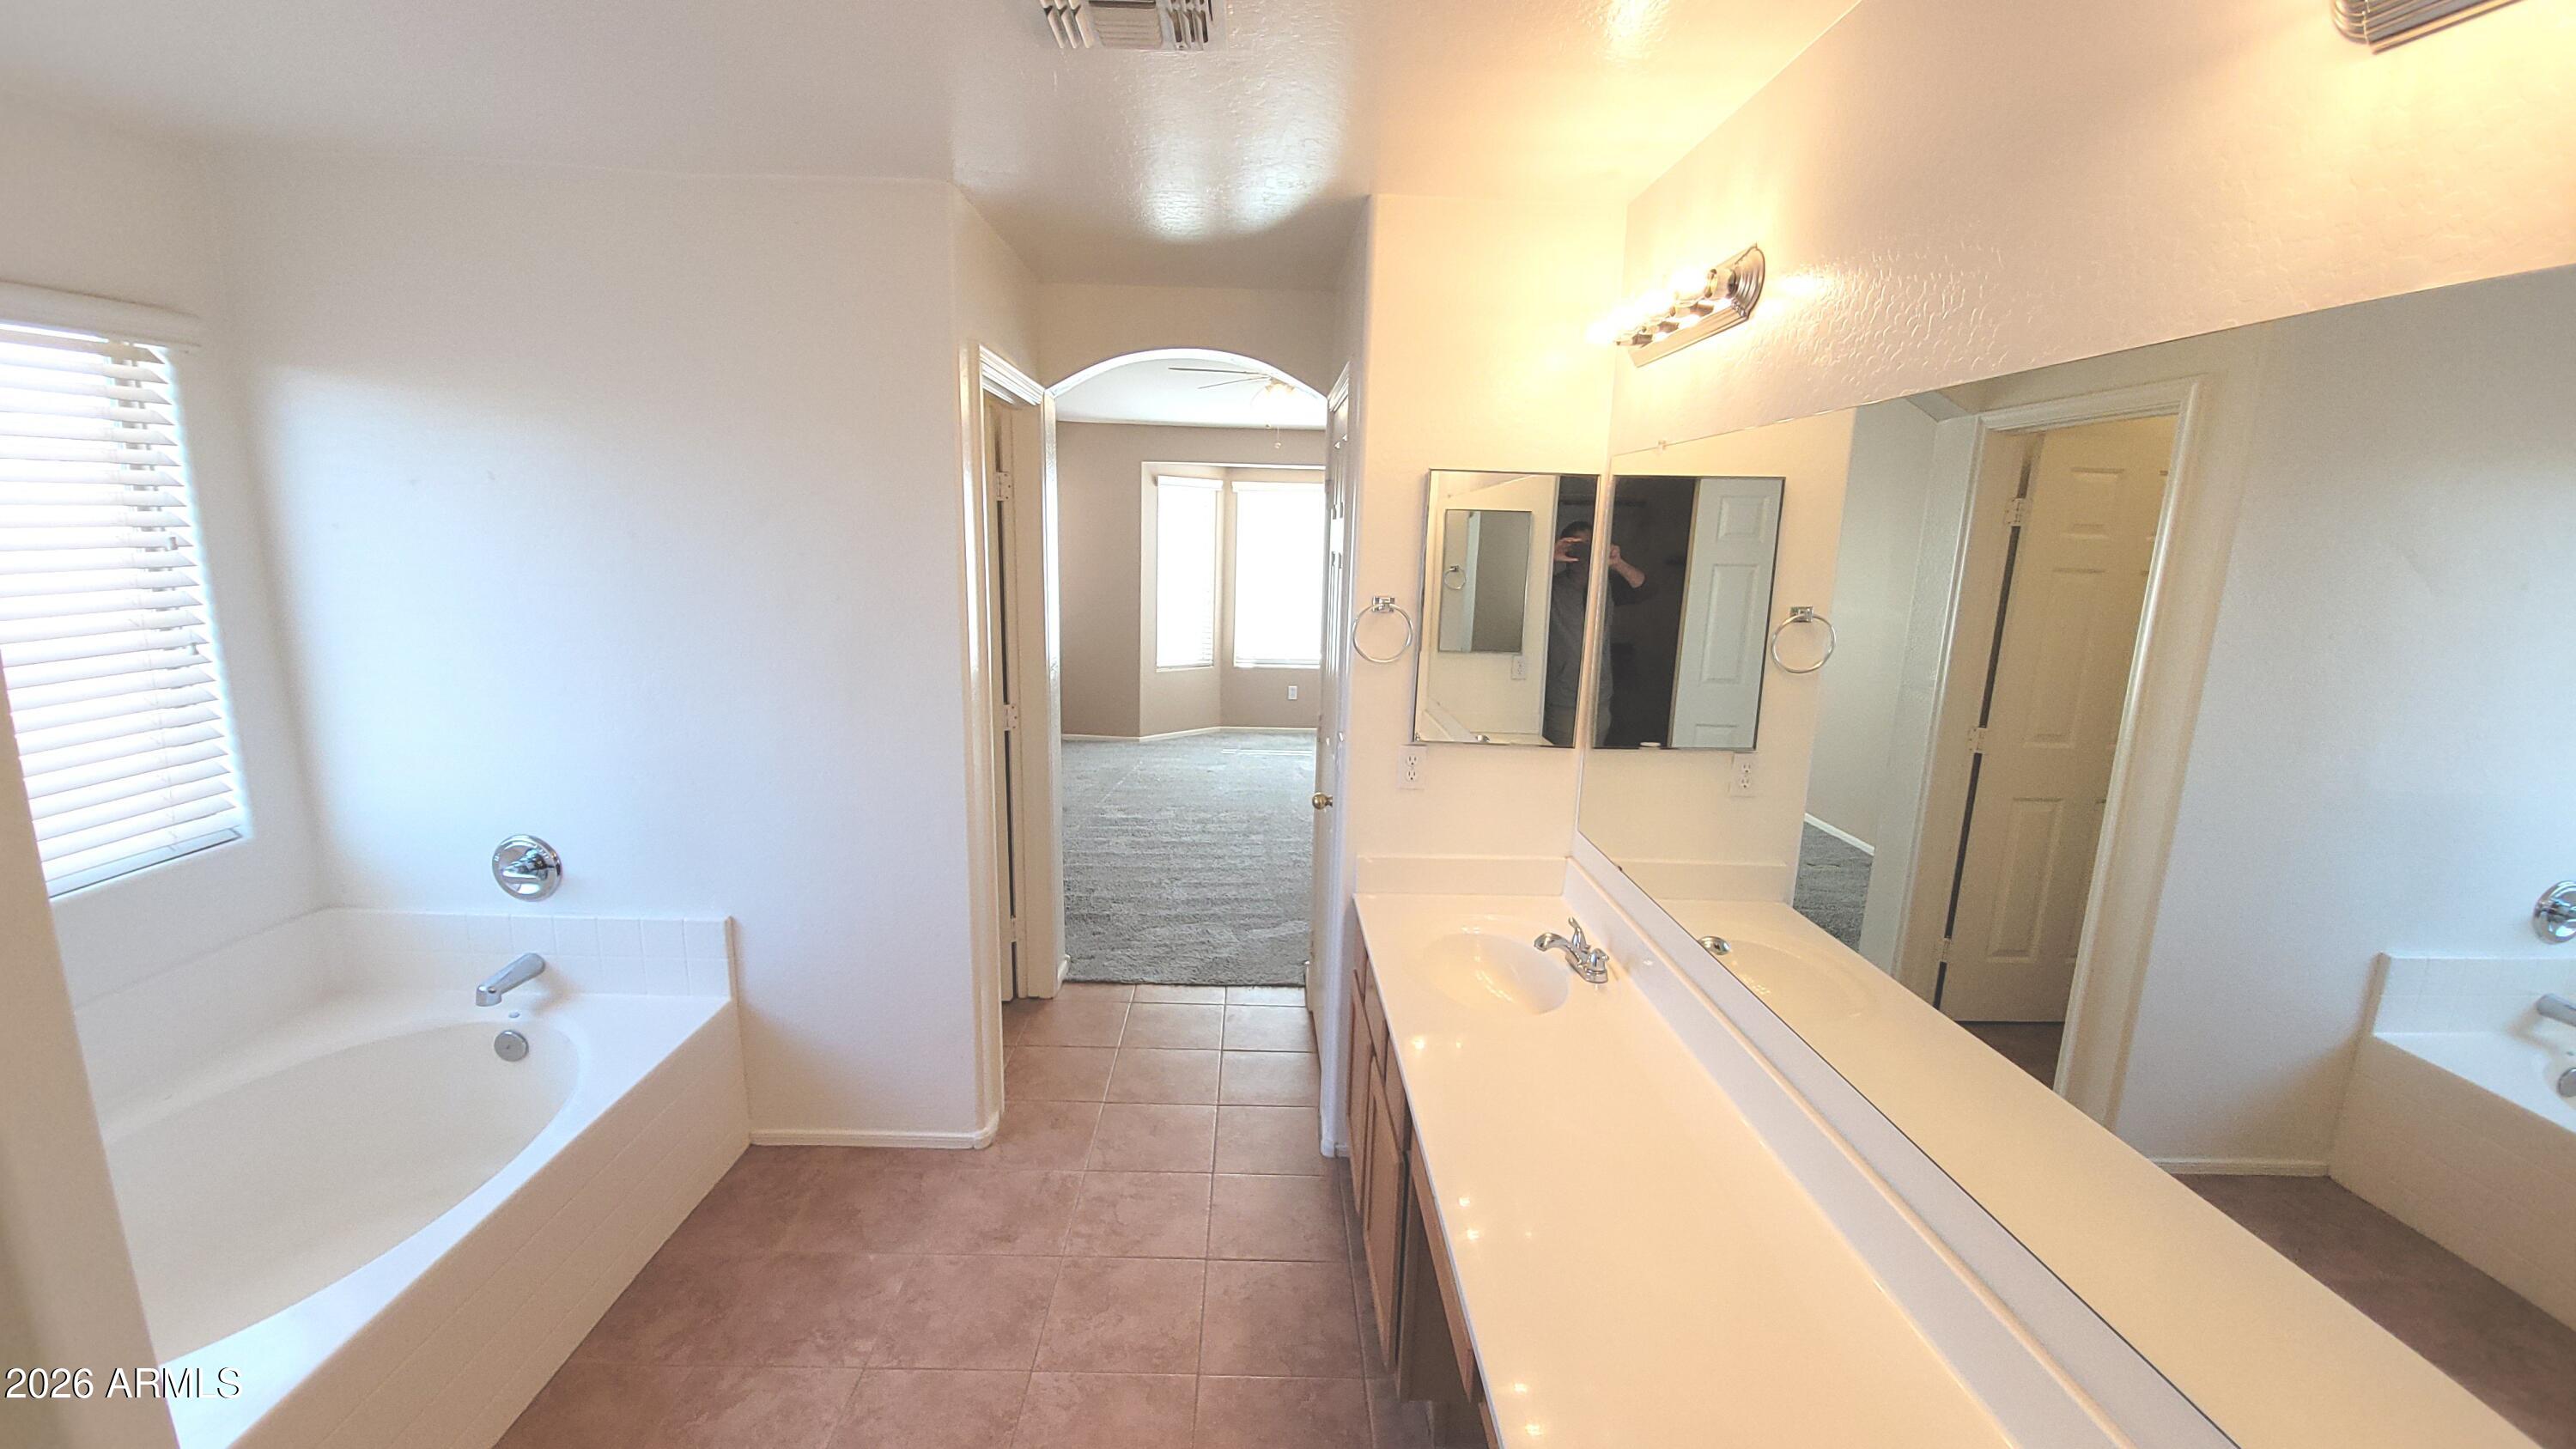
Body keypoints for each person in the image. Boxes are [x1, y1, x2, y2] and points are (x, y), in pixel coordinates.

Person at [1543, 519, 1650, 746]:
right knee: (1559, 759)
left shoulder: (1608, 586)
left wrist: (1617, 563)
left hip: (1600, 697)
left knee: (1594, 757)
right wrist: (1549, 557)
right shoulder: (1549, 587)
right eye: (1577, 546)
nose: (1584, 553)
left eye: (1590, 546)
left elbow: (1646, 589)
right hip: (1562, 696)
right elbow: (1518, 591)